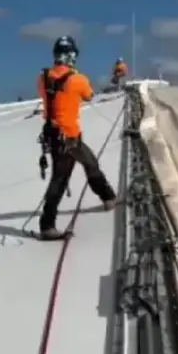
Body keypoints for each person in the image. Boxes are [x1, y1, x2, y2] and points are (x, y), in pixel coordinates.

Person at [35, 36, 119, 240]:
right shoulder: (77, 79)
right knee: (60, 179)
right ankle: (47, 226)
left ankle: (108, 197)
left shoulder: (43, 78)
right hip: (69, 135)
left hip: (55, 136)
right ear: (72, 56)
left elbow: (48, 94)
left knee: (89, 163)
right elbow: (89, 95)